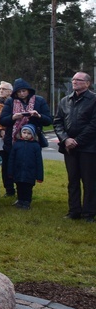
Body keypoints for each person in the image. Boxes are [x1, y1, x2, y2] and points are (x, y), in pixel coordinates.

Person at [0, 78, 52, 205]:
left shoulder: (39, 100)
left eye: (24, 91)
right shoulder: (10, 102)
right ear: (15, 93)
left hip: (32, 141)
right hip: (13, 140)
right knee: (11, 166)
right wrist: (14, 117)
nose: (22, 94)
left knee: (28, 167)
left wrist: (38, 116)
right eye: (19, 92)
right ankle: (11, 190)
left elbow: (49, 120)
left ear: (28, 90)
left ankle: (26, 195)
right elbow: (3, 120)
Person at [53, 72, 96, 222]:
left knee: (89, 181)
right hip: (69, 148)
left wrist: (77, 141)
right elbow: (58, 122)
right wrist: (65, 139)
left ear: (87, 83)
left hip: (89, 148)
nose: (74, 82)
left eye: (78, 80)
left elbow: (93, 125)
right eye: (73, 79)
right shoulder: (65, 100)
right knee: (73, 181)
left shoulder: (94, 100)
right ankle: (74, 211)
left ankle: (89, 213)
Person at [7, 124, 44, 210]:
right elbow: (11, 159)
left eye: (29, 133)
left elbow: (39, 162)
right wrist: (10, 172)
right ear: (21, 133)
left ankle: (26, 202)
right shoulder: (17, 145)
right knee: (19, 186)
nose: (26, 135)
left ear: (33, 135)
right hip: (18, 171)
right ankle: (20, 200)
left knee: (28, 188)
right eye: (24, 132)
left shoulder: (35, 146)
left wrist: (39, 176)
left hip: (30, 172)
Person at [0, 81, 15, 196]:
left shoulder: (15, 103)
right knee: (5, 163)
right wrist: (0, 130)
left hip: (14, 135)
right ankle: (9, 189)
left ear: (11, 92)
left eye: (4, 89)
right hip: (1, 138)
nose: (1, 91)